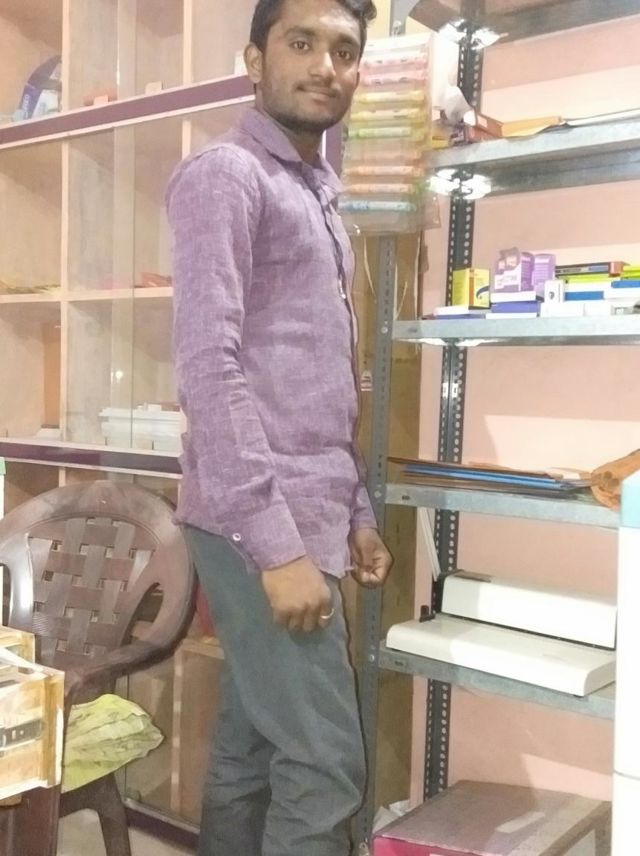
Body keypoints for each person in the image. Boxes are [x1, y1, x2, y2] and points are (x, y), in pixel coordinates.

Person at [167, 0, 391, 853]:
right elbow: (209, 366)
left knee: (255, 746)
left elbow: (317, 383)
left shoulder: (318, 193)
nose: (325, 66)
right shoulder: (227, 176)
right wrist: (279, 549)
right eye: (301, 43)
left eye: (344, 50)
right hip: (257, 519)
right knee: (326, 766)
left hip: (307, 508)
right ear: (255, 60)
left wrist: (355, 512)